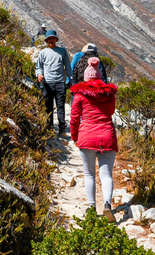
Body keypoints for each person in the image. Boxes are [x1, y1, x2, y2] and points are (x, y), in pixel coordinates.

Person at [69, 57, 118, 222]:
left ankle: (91, 208)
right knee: (106, 175)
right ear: (100, 77)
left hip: (87, 137)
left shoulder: (80, 95)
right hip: (107, 136)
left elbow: (74, 118)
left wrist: (75, 137)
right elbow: (110, 112)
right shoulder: (109, 93)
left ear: (86, 77)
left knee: (89, 174)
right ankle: (107, 205)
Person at [35, 30, 71, 134]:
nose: (51, 40)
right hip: (47, 83)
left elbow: (68, 67)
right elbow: (38, 66)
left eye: (53, 38)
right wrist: (39, 74)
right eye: (49, 39)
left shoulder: (62, 51)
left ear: (56, 39)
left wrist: (71, 80)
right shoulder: (43, 53)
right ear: (46, 40)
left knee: (60, 106)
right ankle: (49, 127)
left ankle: (62, 128)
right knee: (48, 106)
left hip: (60, 83)